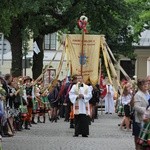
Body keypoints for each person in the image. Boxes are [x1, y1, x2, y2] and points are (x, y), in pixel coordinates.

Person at [133, 79, 149, 150]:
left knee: (145, 138)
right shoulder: (138, 94)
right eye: (144, 84)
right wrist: (147, 110)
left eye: (147, 84)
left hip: (147, 119)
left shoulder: (147, 93)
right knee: (139, 138)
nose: (146, 86)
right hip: (140, 119)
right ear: (140, 86)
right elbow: (136, 107)